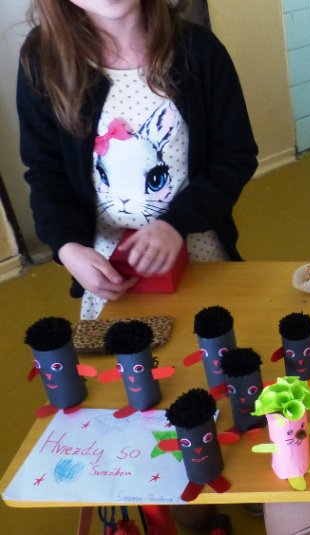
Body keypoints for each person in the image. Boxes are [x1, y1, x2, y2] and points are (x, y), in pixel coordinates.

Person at [17, 0, 258, 320]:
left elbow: (235, 157)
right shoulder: (44, 59)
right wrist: (68, 247)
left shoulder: (199, 50)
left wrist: (177, 224)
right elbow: (46, 171)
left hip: (197, 250)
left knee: (212, 343)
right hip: (107, 268)